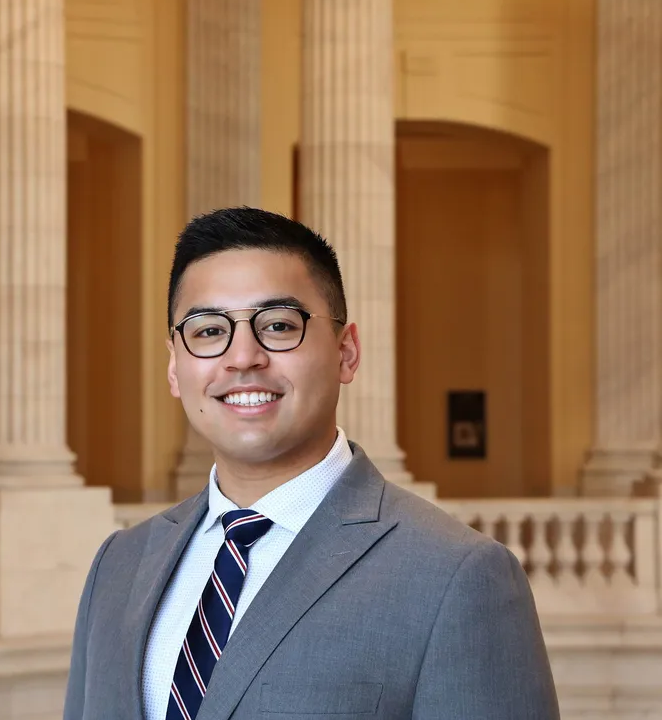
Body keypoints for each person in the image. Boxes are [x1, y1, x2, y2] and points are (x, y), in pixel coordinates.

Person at [63, 207, 559, 719]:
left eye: (278, 325)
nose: (242, 357)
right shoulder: (118, 565)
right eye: (209, 331)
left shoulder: (457, 576)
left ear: (346, 352)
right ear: (175, 365)